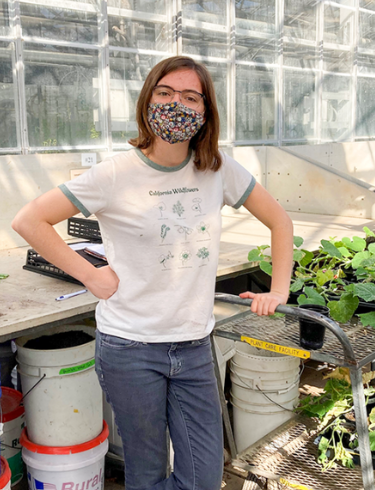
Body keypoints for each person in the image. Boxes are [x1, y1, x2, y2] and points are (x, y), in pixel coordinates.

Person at [11, 56, 294, 490]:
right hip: (130, 349)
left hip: (195, 347)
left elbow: (280, 221)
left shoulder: (217, 169)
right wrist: (90, 275)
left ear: (205, 112)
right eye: (165, 93)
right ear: (147, 101)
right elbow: (29, 220)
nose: (175, 104)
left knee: (203, 477)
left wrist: (278, 289)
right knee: (146, 472)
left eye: (190, 97)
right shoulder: (114, 174)